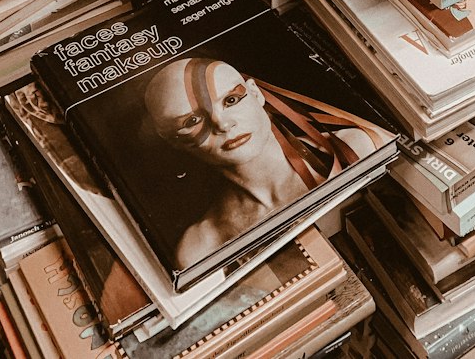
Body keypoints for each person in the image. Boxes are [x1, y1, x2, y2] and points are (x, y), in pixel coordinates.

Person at [144, 58, 382, 271]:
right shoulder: (200, 247)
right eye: (192, 120)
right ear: (171, 141)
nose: (223, 124)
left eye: (231, 99)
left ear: (256, 93)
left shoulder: (355, 148)